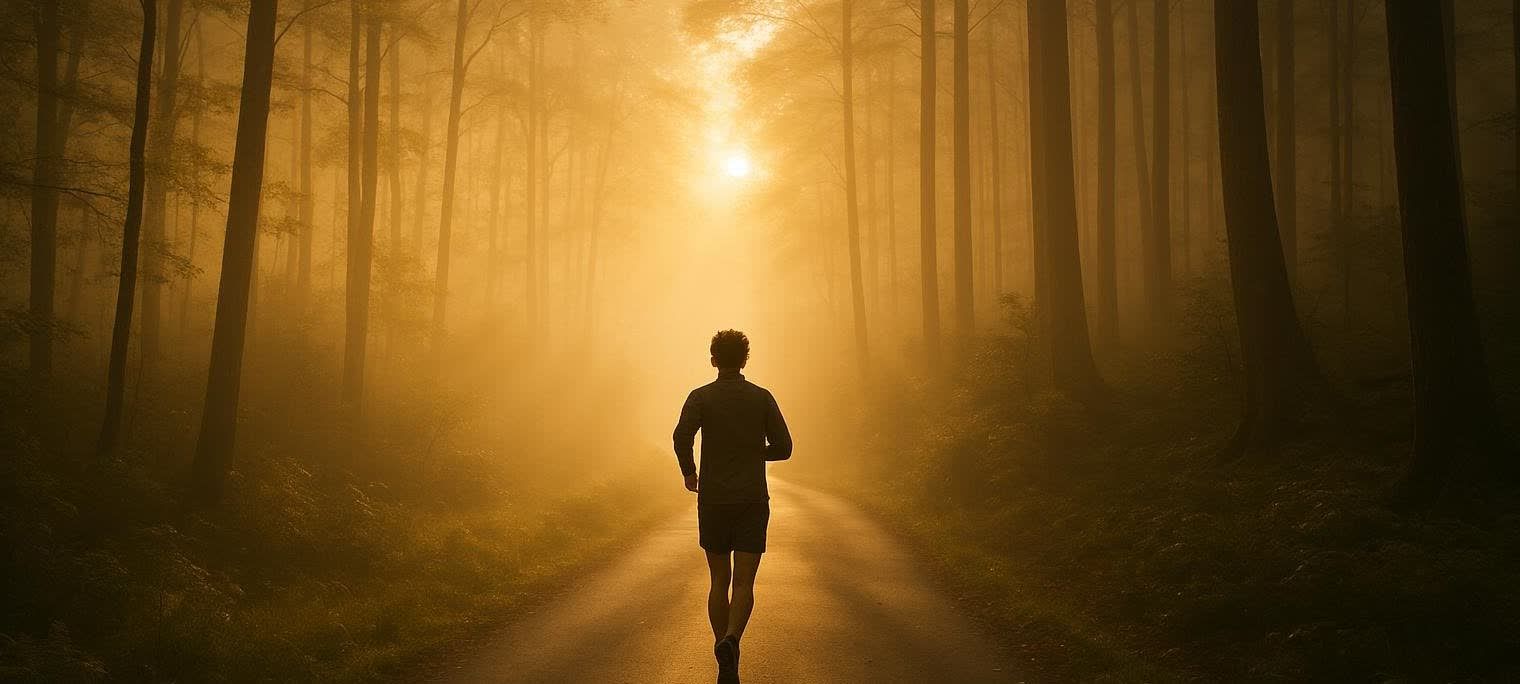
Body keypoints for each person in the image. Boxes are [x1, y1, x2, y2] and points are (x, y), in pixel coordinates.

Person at [673, 329, 792, 684]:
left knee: (718, 579)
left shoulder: (700, 397)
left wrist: (690, 472)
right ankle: (732, 640)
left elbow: (681, 436)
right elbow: (784, 448)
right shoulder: (762, 398)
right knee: (743, 582)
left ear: (713, 360)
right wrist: (757, 452)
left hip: (713, 500)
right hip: (752, 499)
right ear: (745, 360)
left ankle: (723, 652)